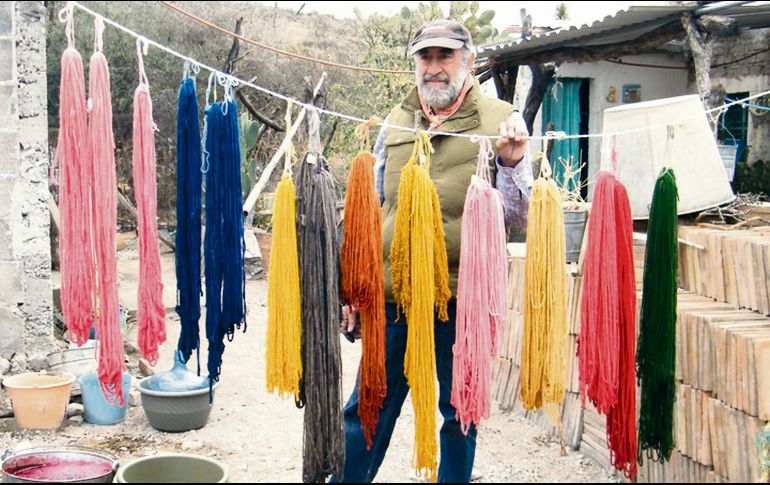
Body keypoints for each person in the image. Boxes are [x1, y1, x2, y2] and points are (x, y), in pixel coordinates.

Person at [333, 19, 533, 484]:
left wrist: (511, 162)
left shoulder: (500, 121)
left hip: (459, 297)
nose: (435, 67)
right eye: (426, 57)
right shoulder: (397, 122)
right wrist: (355, 289)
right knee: (368, 405)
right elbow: (372, 211)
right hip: (393, 296)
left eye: (445, 55)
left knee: (459, 411)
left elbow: (516, 215)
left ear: (469, 59)